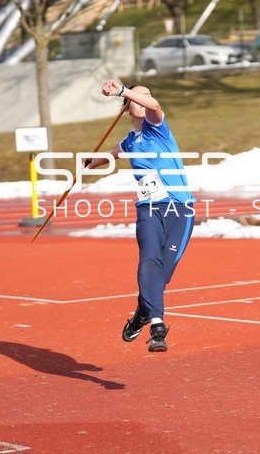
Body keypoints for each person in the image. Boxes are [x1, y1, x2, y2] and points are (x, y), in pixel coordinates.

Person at [85, 80, 194, 352]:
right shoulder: (130, 141)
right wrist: (89, 163)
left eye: (145, 95)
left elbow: (154, 106)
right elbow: (111, 155)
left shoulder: (157, 127)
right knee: (149, 261)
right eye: (137, 97)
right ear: (126, 109)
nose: (143, 99)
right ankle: (158, 327)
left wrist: (124, 91)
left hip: (179, 210)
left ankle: (141, 315)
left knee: (161, 276)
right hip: (148, 209)